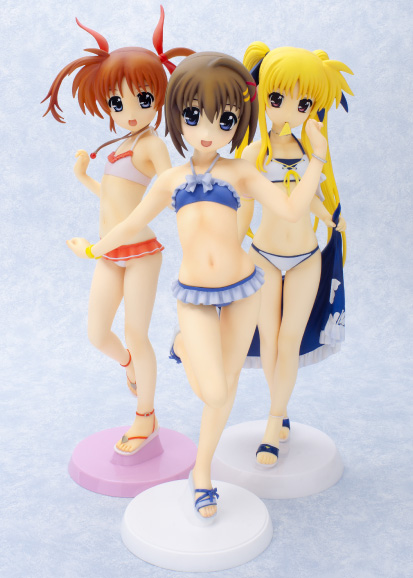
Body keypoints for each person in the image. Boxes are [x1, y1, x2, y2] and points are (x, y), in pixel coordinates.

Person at [67, 51, 328, 520]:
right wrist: (94, 249)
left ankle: (202, 475)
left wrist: (317, 162)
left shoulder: (242, 172)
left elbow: (291, 210)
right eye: (193, 116)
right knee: (214, 391)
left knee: (227, 386)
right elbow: (132, 223)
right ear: (177, 117)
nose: (207, 131)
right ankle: (184, 346)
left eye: (224, 120)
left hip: (244, 288)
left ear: (238, 121)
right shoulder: (169, 179)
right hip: (195, 296)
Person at [43, 8, 193, 455]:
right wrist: (83, 179)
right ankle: (129, 365)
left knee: (136, 333)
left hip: (140, 252)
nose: (130, 112)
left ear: (159, 97)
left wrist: (94, 248)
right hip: (111, 252)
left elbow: (160, 197)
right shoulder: (122, 143)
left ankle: (146, 417)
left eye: (143, 99)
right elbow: (116, 200)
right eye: (117, 103)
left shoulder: (151, 144)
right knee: (97, 334)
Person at [236, 44, 353, 467]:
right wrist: (228, 248)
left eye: (303, 104)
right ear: (262, 96)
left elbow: (311, 199)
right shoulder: (255, 153)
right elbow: (246, 208)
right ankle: (279, 412)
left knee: (289, 341)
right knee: (270, 340)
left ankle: (273, 421)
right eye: (277, 98)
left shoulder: (309, 152)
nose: (290, 111)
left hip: (306, 258)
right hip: (264, 257)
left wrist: (331, 218)